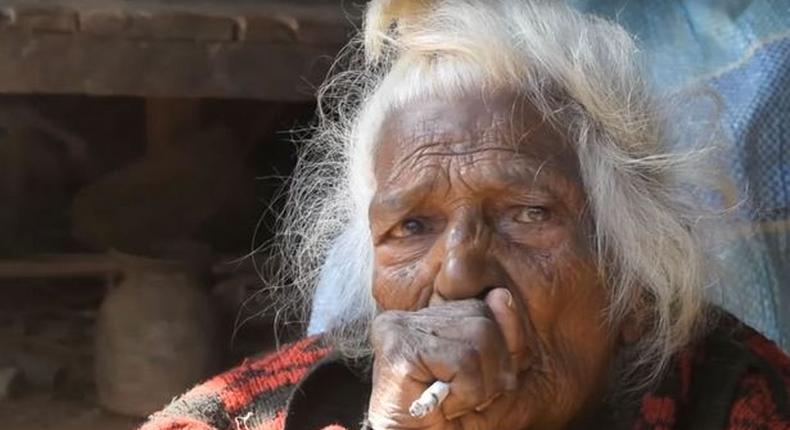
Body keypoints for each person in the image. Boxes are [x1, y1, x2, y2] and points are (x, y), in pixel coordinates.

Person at [141, 0, 790, 429]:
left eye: (528, 214)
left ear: (636, 288)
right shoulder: (242, 416)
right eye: (412, 227)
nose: (456, 275)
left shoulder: (743, 398)